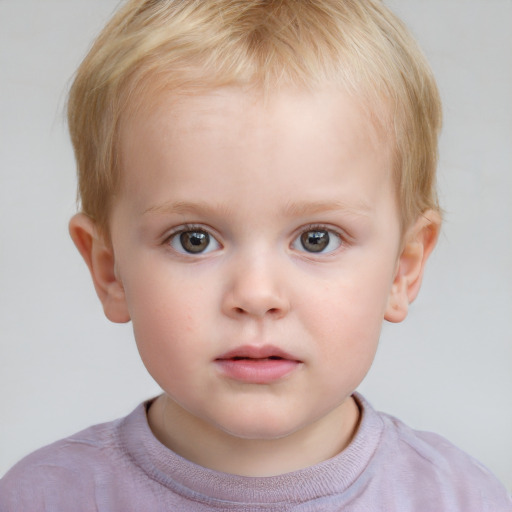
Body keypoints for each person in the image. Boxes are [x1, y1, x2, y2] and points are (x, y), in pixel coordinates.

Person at [1, 0, 510, 509]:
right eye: (193, 239)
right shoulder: (43, 498)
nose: (256, 295)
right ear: (110, 270)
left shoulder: (460, 498)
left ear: (404, 267)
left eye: (317, 238)